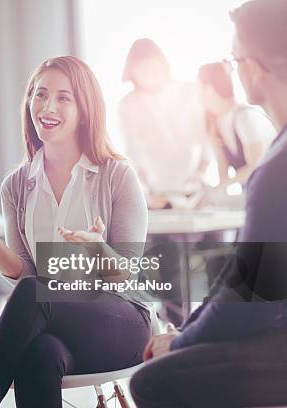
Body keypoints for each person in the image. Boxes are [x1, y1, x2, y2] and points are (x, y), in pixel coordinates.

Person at [0, 56, 151, 407]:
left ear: (85, 109)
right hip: (59, 325)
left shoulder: (117, 176)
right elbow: (27, 273)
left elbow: (125, 273)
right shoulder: (17, 185)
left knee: (35, 293)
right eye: (40, 94)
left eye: (64, 97)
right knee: (39, 352)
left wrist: (97, 247)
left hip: (122, 323)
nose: (47, 106)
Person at [130, 1, 287, 406]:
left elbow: (251, 300)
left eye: (233, 60)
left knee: (152, 380)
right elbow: (246, 278)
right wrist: (189, 333)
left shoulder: (276, 168)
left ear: (252, 68)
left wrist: (180, 343)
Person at [119, 38, 210, 210]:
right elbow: (133, 152)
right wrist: (147, 191)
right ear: (131, 71)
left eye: (154, 67)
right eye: (143, 69)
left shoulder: (190, 92)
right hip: (157, 193)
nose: (150, 74)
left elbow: (207, 139)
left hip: (194, 188)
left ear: (164, 65)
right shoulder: (128, 104)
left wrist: (200, 174)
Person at [197, 61, 275, 198]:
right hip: (253, 194)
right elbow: (223, 171)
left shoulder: (245, 117)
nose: (197, 96)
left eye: (199, 89)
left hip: (273, 192)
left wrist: (224, 185)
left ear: (209, 89)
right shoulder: (216, 123)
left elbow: (256, 166)